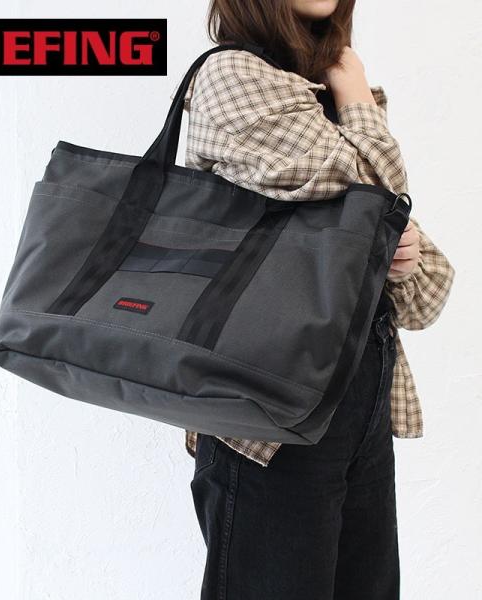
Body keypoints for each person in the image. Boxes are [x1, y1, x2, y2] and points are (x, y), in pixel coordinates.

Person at [169, 1, 456, 598]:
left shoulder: (320, 98)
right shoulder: (233, 75)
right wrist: (356, 94)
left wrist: (397, 255)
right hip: (265, 415)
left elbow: (427, 291)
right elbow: (377, 188)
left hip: (362, 401)